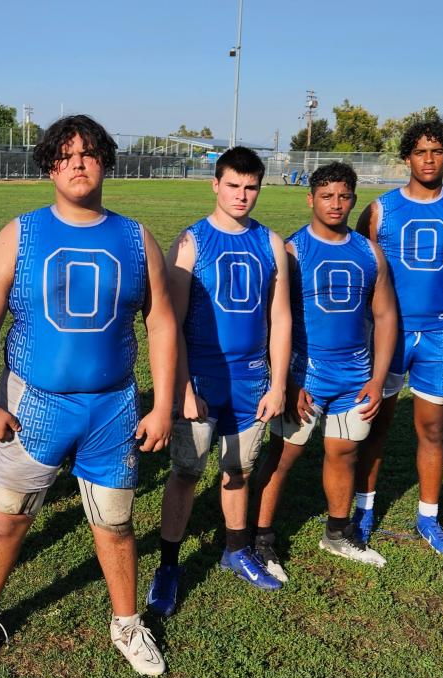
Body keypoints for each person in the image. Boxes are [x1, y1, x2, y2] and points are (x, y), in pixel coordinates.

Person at [0, 115, 176, 676]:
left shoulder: (134, 236)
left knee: (116, 525)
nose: (78, 163)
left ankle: (127, 625)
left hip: (112, 407)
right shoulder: (20, 233)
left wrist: (164, 404)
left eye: (90, 153)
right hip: (36, 405)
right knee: (7, 519)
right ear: (50, 164)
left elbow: (163, 323)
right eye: (66, 154)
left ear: (105, 162)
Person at [146, 146, 290, 617]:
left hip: (252, 380)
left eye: (251, 187)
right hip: (202, 379)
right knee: (186, 472)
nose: (242, 195)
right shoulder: (191, 242)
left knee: (239, 471)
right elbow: (170, 322)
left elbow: (281, 317)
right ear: (215, 184)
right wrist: (182, 387)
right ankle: (169, 563)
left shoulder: (270, 242)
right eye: (233, 185)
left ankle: (235, 548)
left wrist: (278, 384)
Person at [251, 162, 397, 569]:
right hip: (306, 375)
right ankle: (260, 539)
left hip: (355, 375)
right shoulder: (293, 251)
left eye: (344, 196)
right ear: (310, 198)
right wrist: (287, 382)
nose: (336, 204)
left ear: (354, 199)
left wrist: (379, 378)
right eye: (327, 196)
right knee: (282, 456)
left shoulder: (369, 252)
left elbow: (385, 317)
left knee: (345, 453)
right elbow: (271, 321)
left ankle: (337, 532)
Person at [354, 121, 443, 555]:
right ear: (407, 158)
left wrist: (435, 312)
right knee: (375, 423)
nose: (428, 160)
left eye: (437, 151)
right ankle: (363, 509)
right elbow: (362, 270)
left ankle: (428, 517)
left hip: (441, 332)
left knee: (432, 429)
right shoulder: (381, 210)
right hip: (388, 334)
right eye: (420, 152)